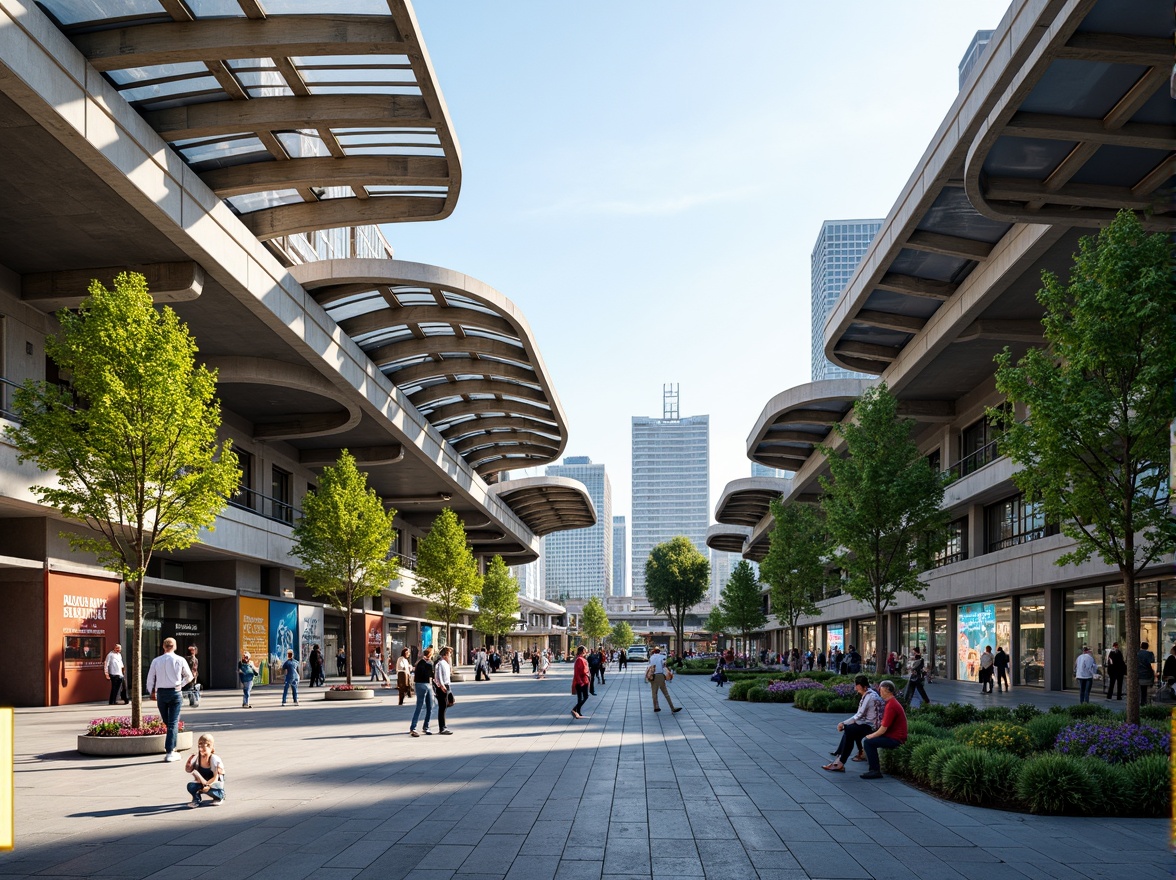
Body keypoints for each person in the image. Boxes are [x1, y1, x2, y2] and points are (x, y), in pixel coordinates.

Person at [145, 637, 193, 762]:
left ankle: (171, 749)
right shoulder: (180, 659)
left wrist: (151, 691)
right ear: (175, 646)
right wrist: (180, 685)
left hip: (161, 693)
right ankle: (171, 750)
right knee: (171, 723)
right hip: (175, 692)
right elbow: (189, 676)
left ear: (163, 646)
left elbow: (150, 677)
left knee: (169, 722)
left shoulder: (156, 661)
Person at [822, 675, 884, 772]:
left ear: (861, 685)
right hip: (868, 724)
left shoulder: (869, 697)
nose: (855, 688)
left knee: (849, 729)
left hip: (872, 727)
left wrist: (843, 723)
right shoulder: (869, 694)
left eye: (856, 685)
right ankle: (840, 758)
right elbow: (861, 716)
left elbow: (859, 715)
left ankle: (840, 761)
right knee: (849, 728)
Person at [860, 680, 907, 779]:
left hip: (895, 739)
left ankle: (875, 770)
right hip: (892, 735)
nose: (879, 691)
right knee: (868, 737)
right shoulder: (891, 703)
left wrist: (870, 736)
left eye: (881, 689)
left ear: (887, 690)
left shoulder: (891, 705)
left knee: (868, 742)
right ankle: (868, 762)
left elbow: (883, 729)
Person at [184, 733, 226, 807]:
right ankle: (196, 799)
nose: (201, 748)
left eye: (205, 745)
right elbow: (188, 770)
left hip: (214, 785)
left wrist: (209, 786)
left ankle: (219, 796)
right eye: (200, 744)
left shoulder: (214, 759)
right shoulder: (197, 757)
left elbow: (217, 777)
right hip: (202, 783)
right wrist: (189, 764)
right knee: (191, 786)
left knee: (214, 790)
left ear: (211, 747)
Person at [409, 647, 436, 736]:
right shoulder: (428, 663)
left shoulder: (420, 663)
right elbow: (432, 675)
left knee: (423, 706)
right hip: (424, 685)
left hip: (421, 684)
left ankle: (416, 727)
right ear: (430, 654)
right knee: (427, 706)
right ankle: (420, 727)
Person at [646, 647, 681, 714]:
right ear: (659, 652)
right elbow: (664, 665)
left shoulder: (651, 657)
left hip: (653, 676)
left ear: (654, 652)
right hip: (660, 676)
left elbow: (650, 666)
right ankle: (672, 707)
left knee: (654, 693)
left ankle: (656, 707)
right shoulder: (662, 657)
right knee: (666, 693)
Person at [433, 646, 454, 734]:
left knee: (447, 704)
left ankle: (443, 726)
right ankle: (442, 728)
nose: (450, 655)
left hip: (447, 685)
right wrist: (441, 685)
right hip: (442, 686)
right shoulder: (440, 663)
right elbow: (438, 675)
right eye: (449, 653)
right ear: (445, 654)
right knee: (442, 707)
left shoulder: (446, 663)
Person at [571, 646, 591, 719]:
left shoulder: (582, 659)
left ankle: (578, 711)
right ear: (583, 650)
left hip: (584, 680)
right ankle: (575, 709)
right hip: (581, 681)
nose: (586, 651)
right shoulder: (579, 659)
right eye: (586, 650)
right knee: (583, 697)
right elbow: (577, 672)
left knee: (582, 697)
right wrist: (580, 682)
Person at [1138, 641, 1156, 705]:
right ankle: (1145, 701)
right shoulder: (1150, 654)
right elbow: (1152, 664)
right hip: (1147, 674)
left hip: (1138, 674)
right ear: (1147, 647)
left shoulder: (1137, 653)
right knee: (1146, 690)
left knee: (1140, 689)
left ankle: (1141, 701)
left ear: (1141, 646)